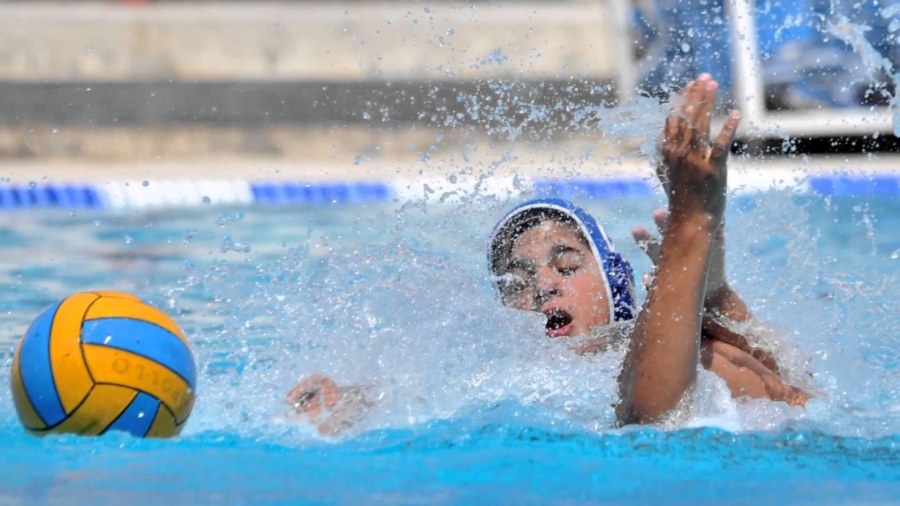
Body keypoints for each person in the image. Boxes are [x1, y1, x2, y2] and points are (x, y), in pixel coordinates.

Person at [285, 73, 812, 434]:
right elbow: (421, 396)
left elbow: (660, 416)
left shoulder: (701, 351)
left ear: (614, 285)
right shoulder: (511, 377)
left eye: (566, 265)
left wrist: (698, 234)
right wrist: (347, 402)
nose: (542, 285)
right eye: (516, 284)